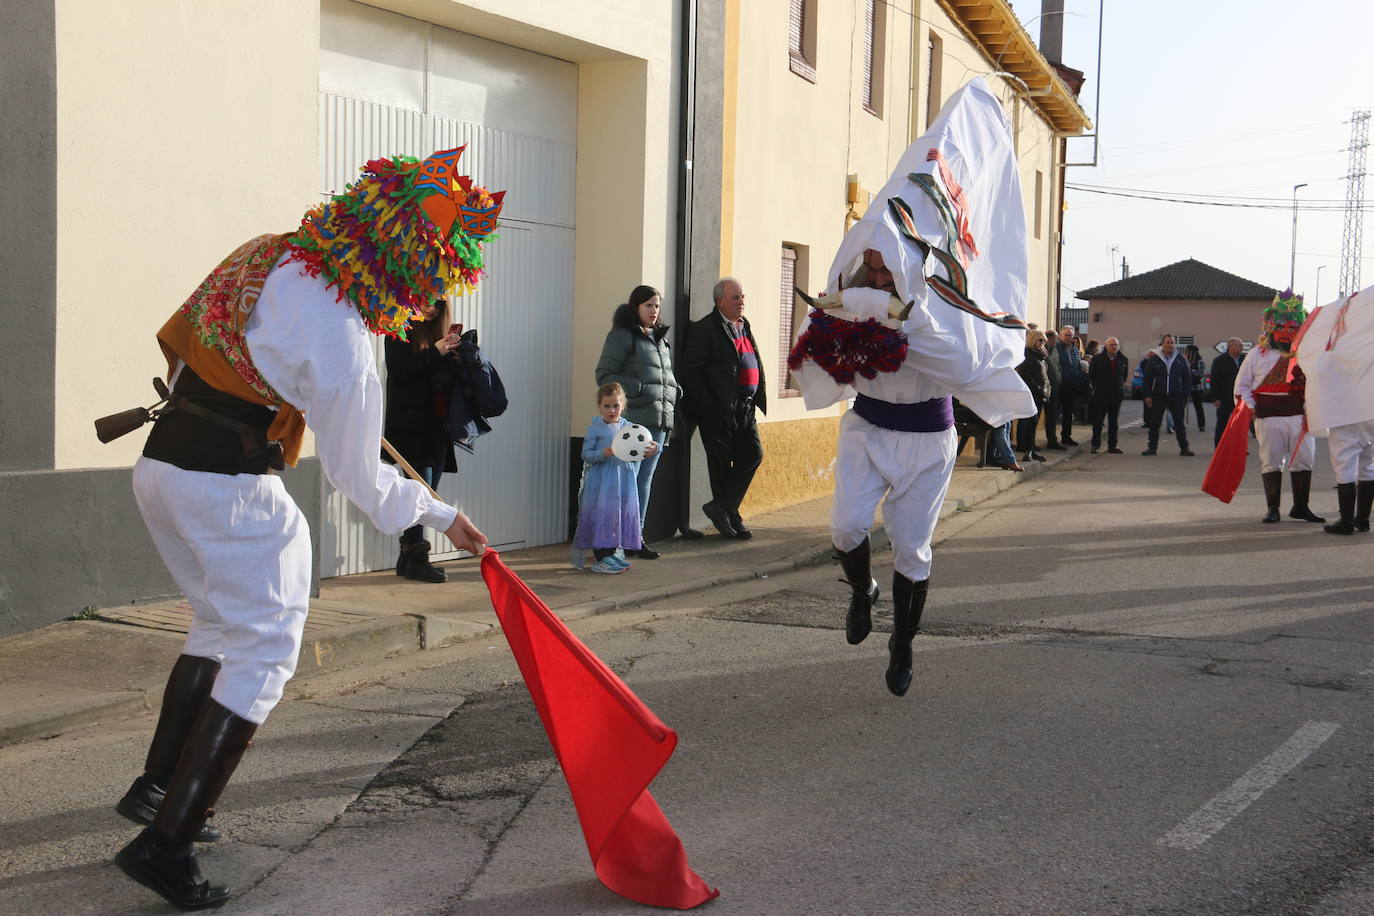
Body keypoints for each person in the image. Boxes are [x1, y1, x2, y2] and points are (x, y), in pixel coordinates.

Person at [110, 147, 497, 909]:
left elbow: (197, 333)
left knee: (219, 627)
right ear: (411, 268)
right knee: (264, 651)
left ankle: (157, 791)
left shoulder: (271, 250)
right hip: (226, 488)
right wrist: (442, 515)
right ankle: (167, 843)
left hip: (161, 470)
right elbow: (359, 478)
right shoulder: (348, 342)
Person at [787, 78, 1035, 698]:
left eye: (884, 263)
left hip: (928, 438)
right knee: (845, 530)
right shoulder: (852, 299)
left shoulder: (941, 309)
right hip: (869, 428)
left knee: (912, 549)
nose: (874, 271)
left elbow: (957, 361)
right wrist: (847, 312)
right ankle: (861, 593)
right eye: (868, 262)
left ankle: (903, 643)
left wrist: (908, 320)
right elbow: (823, 347)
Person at [595, 285, 681, 559]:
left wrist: (675, 390)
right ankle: (611, 541)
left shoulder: (660, 339)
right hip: (634, 424)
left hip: (659, 422)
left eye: (657, 305)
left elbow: (664, 375)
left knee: (644, 482)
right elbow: (604, 374)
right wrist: (640, 388)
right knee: (624, 483)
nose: (654, 311)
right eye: (648, 305)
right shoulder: (623, 336)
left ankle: (634, 538)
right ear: (636, 308)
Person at [679, 277, 766, 540]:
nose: (741, 302)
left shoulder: (744, 326)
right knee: (720, 467)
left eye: (742, 297)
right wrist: (709, 405)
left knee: (753, 454)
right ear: (720, 301)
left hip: (745, 407)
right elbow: (691, 372)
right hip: (718, 410)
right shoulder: (705, 329)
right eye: (735, 298)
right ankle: (731, 517)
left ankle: (722, 507)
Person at [383, 298, 460, 582]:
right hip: (411, 427)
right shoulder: (398, 328)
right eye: (426, 303)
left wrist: (455, 355)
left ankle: (408, 557)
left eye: (437, 306)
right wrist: (436, 352)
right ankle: (417, 558)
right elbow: (400, 371)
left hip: (437, 427)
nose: (431, 309)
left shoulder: (436, 332)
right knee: (422, 493)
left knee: (427, 490)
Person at [1235, 290, 1325, 523]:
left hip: (1299, 417)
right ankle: (1272, 509)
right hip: (1268, 417)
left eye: (1292, 328)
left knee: (1304, 459)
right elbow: (1241, 387)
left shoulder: (1306, 355)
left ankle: (1301, 507)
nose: (1286, 333)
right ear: (1271, 326)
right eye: (1281, 327)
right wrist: (1253, 408)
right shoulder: (1257, 354)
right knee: (1271, 460)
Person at [1292, 288, 1374, 534]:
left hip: (1345, 416)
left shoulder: (1332, 351)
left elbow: (1316, 374)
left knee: (1345, 467)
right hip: (1371, 414)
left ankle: (1347, 521)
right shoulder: (1367, 348)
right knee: (1369, 467)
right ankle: (1363, 519)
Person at [573, 382, 647, 573]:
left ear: (623, 405)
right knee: (602, 515)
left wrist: (654, 448)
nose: (612, 410)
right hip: (601, 483)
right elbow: (585, 454)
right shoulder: (595, 428)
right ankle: (601, 558)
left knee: (617, 515)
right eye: (607, 406)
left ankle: (612, 554)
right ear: (600, 406)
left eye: (616, 405)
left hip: (623, 482)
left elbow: (645, 443)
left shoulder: (629, 428)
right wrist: (602, 453)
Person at [1141, 334, 1194, 456]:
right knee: (1155, 423)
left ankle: (1184, 448)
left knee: (1179, 423)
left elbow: (1187, 378)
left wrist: (1185, 394)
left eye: (1172, 343)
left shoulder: (1180, 359)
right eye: (1168, 342)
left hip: (1176, 396)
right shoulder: (1155, 359)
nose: (1170, 345)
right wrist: (1147, 395)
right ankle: (1152, 448)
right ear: (1162, 344)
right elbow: (1147, 379)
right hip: (1158, 395)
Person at [1087, 336, 1128, 454]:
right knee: (1098, 422)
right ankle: (1095, 445)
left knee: (1113, 423)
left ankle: (1112, 445)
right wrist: (1097, 387)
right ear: (1106, 346)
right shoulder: (1098, 358)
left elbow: (1123, 376)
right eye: (1111, 345)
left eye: (1116, 345)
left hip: (1116, 395)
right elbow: (1092, 375)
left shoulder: (1123, 359)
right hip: (1101, 395)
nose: (1114, 347)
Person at [1015, 329, 1050, 463]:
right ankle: (1027, 450)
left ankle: (1031, 449)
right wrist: (1037, 387)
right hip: (1031, 394)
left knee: (1033, 423)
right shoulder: (1027, 355)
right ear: (1032, 340)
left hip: (1040, 394)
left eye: (1044, 341)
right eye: (1040, 340)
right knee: (1029, 422)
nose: (1042, 343)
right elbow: (1024, 376)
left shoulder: (1040, 356)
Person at [1210, 337, 1245, 445]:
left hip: (1241, 398)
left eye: (1241, 346)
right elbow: (1214, 380)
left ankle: (1240, 447)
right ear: (1230, 347)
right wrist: (1215, 398)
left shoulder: (1244, 360)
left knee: (1240, 425)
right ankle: (1219, 446)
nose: (1241, 348)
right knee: (1222, 424)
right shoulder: (1220, 361)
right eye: (1239, 345)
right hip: (1224, 398)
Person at [1055, 325, 1085, 445]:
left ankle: (1066, 436)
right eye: (1066, 335)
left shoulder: (1075, 349)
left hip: (1072, 385)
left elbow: (1077, 366)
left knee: (1068, 412)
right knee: (1054, 413)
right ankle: (1052, 439)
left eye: (1070, 336)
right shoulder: (1056, 348)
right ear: (1061, 335)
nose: (1068, 338)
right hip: (1058, 385)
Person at [1042, 331, 1064, 449]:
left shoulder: (1055, 350)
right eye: (1054, 339)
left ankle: (1052, 440)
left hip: (1055, 387)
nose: (1056, 341)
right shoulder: (1041, 350)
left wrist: (1059, 378)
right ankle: (1029, 444)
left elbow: (1058, 365)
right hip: (1043, 388)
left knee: (1052, 415)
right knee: (1037, 416)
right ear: (1048, 339)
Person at [1184, 344, 1208, 432]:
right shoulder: (1186, 361)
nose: (1186, 353)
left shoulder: (1199, 361)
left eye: (1187, 351)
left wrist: (1192, 371)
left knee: (1198, 407)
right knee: (1181, 406)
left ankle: (1201, 425)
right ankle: (1178, 424)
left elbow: (1202, 374)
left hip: (1196, 387)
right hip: (1186, 387)